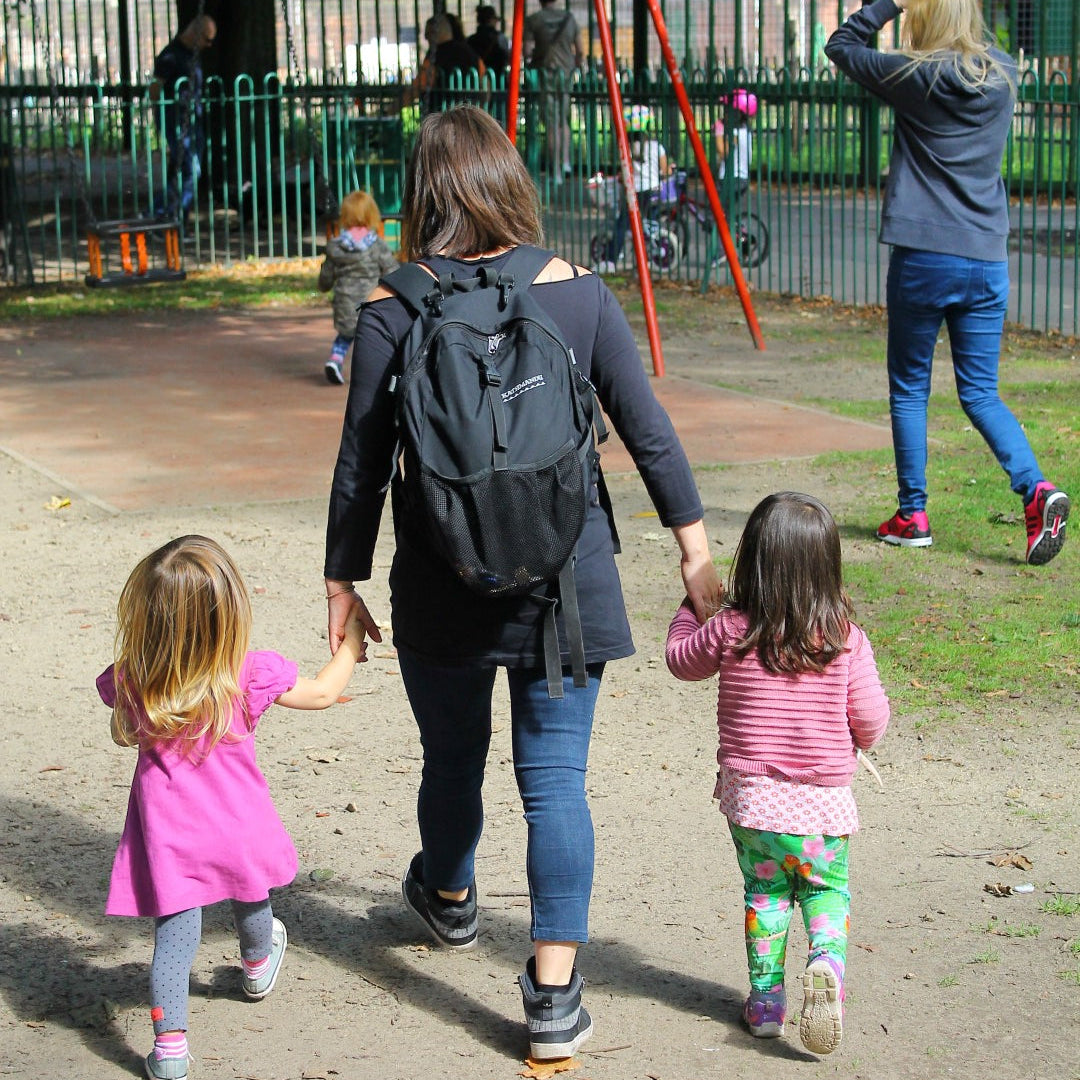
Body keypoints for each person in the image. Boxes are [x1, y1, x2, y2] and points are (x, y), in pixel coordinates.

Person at [323, 105, 722, 1061]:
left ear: (423, 194)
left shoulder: (390, 306)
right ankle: (553, 1000)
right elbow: (647, 430)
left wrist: (342, 583)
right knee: (555, 785)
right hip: (565, 587)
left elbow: (360, 468)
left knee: (451, 759)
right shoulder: (579, 294)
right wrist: (695, 552)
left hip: (438, 577)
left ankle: (451, 897)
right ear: (509, 182)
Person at [100, 534, 367, 1080]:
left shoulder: (137, 677)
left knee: (174, 939)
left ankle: (170, 1050)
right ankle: (256, 965)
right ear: (228, 611)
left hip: (169, 835)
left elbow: (119, 715)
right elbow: (321, 693)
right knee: (251, 898)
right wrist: (351, 644)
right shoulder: (247, 673)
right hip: (238, 826)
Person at [825, 0, 1069, 564]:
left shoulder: (914, 75)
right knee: (980, 391)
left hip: (925, 256)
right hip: (986, 257)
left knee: (910, 387)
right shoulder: (1005, 72)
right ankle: (1035, 488)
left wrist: (888, 3)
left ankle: (913, 514)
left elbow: (841, 45)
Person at [665, 492, 890, 1057]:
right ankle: (826, 966)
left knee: (765, 893)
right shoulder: (844, 639)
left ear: (753, 560)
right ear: (828, 567)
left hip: (752, 803)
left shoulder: (732, 629)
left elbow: (680, 660)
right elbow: (871, 720)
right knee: (825, 891)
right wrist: (856, 741)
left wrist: (692, 605)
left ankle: (767, 1004)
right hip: (822, 806)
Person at [318, 189, 399, 385]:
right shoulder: (377, 246)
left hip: (345, 302)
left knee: (345, 335)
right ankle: (374, 374)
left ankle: (335, 360)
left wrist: (323, 285)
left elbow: (326, 277)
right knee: (372, 340)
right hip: (371, 304)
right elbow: (392, 272)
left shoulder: (336, 246)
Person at [150, 14, 216, 225]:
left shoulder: (192, 54)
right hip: (175, 119)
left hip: (193, 118)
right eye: (207, 39)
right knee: (190, 168)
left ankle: (163, 213)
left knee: (184, 168)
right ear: (195, 33)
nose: (210, 44)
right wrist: (159, 117)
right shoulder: (169, 56)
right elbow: (155, 88)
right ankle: (170, 216)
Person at [595, 104, 672, 274]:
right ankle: (646, 260)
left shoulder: (627, 149)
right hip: (653, 189)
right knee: (649, 224)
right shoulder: (657, 147)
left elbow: (624, 174)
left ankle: (610, 260)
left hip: (634, 192)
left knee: (622, 225)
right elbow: (665, 170)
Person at [524, 0, 584, 181]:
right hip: (565, 75)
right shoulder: (569, 18)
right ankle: (565, 160)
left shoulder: (533, 20)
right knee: (563, 120)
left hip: (545, 74)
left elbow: (526, 50)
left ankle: (556, 169)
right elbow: (580, 50)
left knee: (551, 122)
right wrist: (574, 65)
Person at [408, 12, 486, 116]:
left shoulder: (435, 55)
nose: (426, 38)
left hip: (442, 122)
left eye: (428, 33)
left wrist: (390, 110)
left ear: (437, 32)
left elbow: (418, 86)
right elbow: (485, 84)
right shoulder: (471, 54)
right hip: (470, 118)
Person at [714, 88, 757, 206]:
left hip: (732, 178)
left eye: (728, 111)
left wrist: (719, 132)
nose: (725, 114)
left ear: (739, 114)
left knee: (720, 214)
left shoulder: (736, 133)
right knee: (725, 213)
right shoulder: (746, 130)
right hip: (741, 178)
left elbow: (723, 153)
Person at [468, 5, 510, 77]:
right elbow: (506, 57)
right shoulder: (499, 38)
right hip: (497, 78)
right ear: (491, 20)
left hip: (477, 78)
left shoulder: (470, 40)